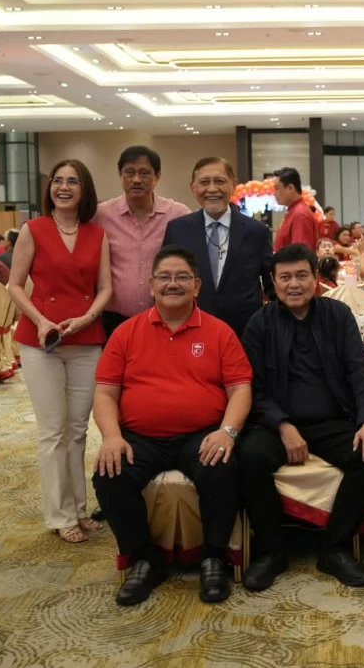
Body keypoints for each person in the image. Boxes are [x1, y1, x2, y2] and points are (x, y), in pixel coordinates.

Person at [91, 246, 252, 606]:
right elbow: (104, 393)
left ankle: (213, 556)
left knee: (223, 466)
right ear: (151, 285)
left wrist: (226, 432)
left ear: (197, 286)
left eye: (182, 277)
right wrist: (112, 437)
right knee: (108, 473)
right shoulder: (126, 333)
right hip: (140, 438)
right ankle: (145, 558)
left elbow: (240, 388)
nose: (172, 284)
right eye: (164, 277)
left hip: (202, 435)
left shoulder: (220, 332)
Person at [239, 244, 364, 590]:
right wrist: (283, 425)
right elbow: (252, 386)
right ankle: (272, 551)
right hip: (276, 424)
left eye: (301, 275)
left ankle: (334, 548)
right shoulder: (260, 323)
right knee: (248, 458)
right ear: (272, 283)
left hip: (333, 420)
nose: (294, 284)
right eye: (285, 277)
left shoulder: (338, 316)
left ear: (316, 278)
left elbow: (361, 372)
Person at [8, 159, 112, 544]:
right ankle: (59, 515)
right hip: (42, 341)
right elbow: (15, 285)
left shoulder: (96, 234)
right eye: (58, 181)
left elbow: (105, 288)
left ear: (84, 190)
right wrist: (40, 320)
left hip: (86, 339)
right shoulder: (32, 230)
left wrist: (87, 318)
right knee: (52, 431)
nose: (63, 187)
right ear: (49, 187)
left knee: (78, 430)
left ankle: (79, 510)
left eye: (73, 182)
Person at [163, 157, 274, 339]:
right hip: (188, 329)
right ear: (193, 187)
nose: (212, 189)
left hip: (245, 333)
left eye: (220, 181)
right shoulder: (177, 229)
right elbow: (164, 279)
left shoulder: (257, 231)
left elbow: (272, 284)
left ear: (234, 184)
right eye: (204, 182)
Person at [94, 145, 193, 336]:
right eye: (129, 173)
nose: (136, 179)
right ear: (120, 175)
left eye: (144, 173)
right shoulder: (101, 215)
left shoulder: (178, 214)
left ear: (157, 177)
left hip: (164, 318)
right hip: (113, 320)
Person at [272, 167, 318, 251]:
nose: (274, 194)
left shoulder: (300, 214)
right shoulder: (293, 210)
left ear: (290, 188)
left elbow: (299, 255)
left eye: (277, 188)